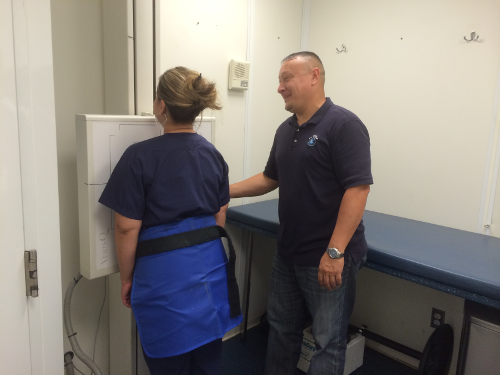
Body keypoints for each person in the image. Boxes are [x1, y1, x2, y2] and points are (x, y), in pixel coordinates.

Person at [230, 52, 372, 375]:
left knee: (326, 341)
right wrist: (224, 192)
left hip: (327, 257)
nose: (279, 87)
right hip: (289, 252)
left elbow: (358, 189)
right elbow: (270, 178)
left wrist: (335, 252)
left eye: (286, 79)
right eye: (279, 81)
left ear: (314, 76)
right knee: (281, 329)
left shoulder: (344, 125)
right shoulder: (285, 130)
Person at [99, 66, 242, 375]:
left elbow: (126, 227)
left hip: (165, 277)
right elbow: (219, 215)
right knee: (207, 359)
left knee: (169, 362)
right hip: (210, 270)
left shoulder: (138, 157)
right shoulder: (213, 154)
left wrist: (127, 279)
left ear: (161, 105)